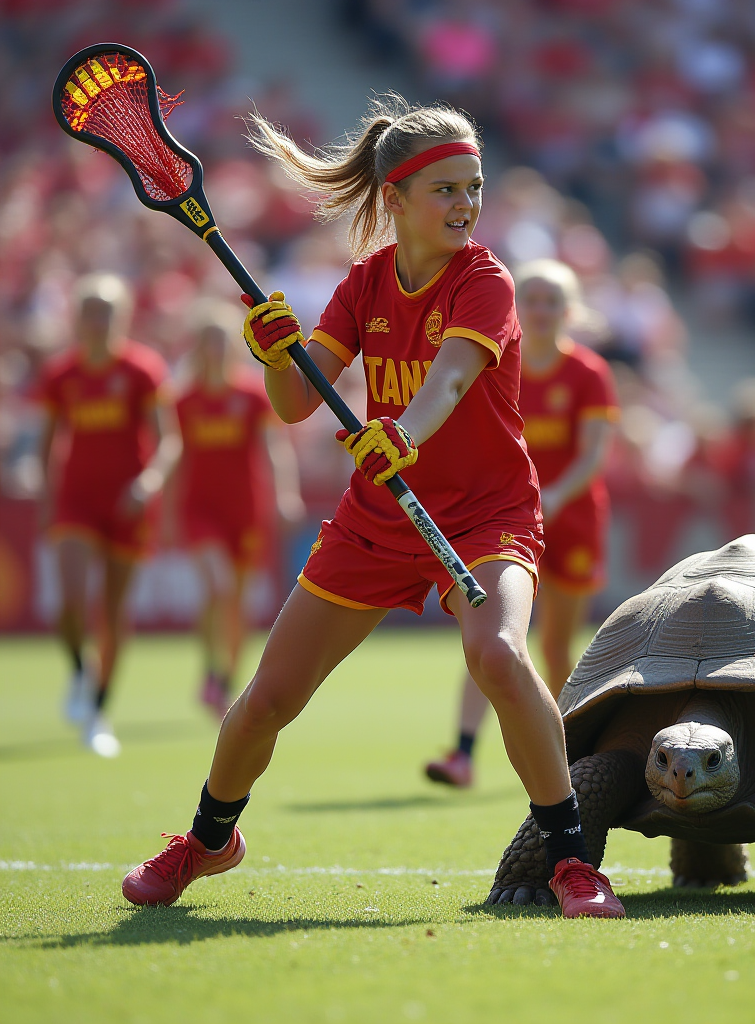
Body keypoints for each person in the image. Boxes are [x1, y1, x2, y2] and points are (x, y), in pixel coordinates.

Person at [121, 98, 625, 918]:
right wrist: (273, 349)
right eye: (446, 191)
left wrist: (403, 435)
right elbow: (292, 402)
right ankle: (209, 841)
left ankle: (572, 862)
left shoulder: (487, 281)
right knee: (268, 701)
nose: (466, 205)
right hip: (377, 519)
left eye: (475, 188)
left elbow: (452, 380)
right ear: (395, 198)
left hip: (485, 513)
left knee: (498, 654)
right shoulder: (363, 285)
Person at [425, 259, 618, 788]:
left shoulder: (589, 374)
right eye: (530, 298)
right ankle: (462, 753)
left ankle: (569, 749)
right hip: (503, 519)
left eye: (551, 300)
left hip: (570, 518)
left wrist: (553, 495)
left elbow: (593, 454)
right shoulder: (491, 362)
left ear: (568, 309)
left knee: (556, 645)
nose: (539, 309)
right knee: (491, 636)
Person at [35, 273, 179, 757]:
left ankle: (98, 711)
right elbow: (48, 443)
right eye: (89, 312)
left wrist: (149, 482)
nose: (97, 322)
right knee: (70, 602)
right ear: (77, 318)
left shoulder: (142, 369)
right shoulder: (62, 375)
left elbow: (168, 441)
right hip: (76, 499)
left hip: (128, 502)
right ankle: (80, 669)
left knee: (114, 613)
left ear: (122, 318)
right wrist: (44, 497)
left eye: (106, 312)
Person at [175, 300, 305, 719]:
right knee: (220, 586)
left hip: (246, 509)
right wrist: (166, 511)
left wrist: (285, 495)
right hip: (201, 509)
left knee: (236, 602)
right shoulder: (184, 400)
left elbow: (273, 449)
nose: (214, 348)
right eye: (207, 340)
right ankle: (212, 671)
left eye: (221, 340)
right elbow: (176, 458)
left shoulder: (251, 394)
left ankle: (226, 677)